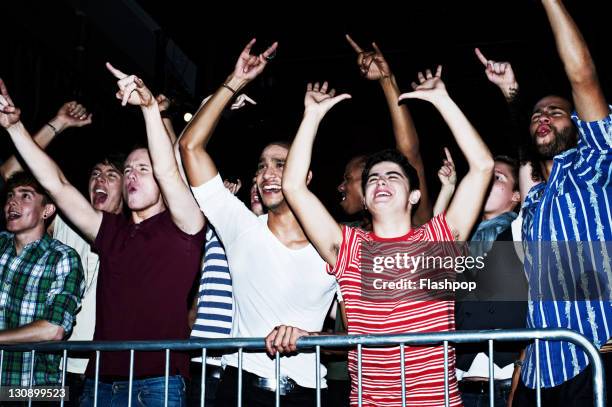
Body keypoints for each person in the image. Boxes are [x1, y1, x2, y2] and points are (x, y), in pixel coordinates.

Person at [272, 65, 493, 406]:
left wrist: (443, 100)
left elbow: (482, 166)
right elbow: (293, 186)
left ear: (414, 196)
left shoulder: (439, 242)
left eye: (393, 177)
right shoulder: (348, 248)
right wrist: (312, 116)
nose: (380, 182)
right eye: (373, 178)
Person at [0, 66, 206, 406]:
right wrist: (15, 128)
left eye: (144, 169)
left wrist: (150, 109)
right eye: (128, 171)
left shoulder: (184, 227)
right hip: (98, 383)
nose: (131, 176)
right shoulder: (112, 231)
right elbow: (58, 185)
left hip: (157, 384)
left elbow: (170, 172)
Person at [180, 39, 338, 406]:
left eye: (280, 164)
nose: (267, 174)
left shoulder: (335, 243)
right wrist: (235, 80)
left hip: (309, 394)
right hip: (239, 388)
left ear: (305, 175)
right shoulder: (241, 226)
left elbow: (351, 335)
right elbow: (190, 148)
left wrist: (308, 337)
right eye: (262, 165)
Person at [480, 2, 612, 405]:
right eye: (537, 114)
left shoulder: (595, 167)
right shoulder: (535, 195)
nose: (543, 117)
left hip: (593, 355)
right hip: (541, 366)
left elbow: (582, 73)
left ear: (577, 124)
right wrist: (510, 94)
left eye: (555, 113)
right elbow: (524, 149)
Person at [0, 171, 84, 386]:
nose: (13, 203)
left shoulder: (62, 258)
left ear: (47, 210)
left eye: (25, 196)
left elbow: (54, 329)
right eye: (10, 196)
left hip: (37, 389)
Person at [340, 35, 432, 228]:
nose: (340, 187)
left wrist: (387, 81)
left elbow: (409, 154)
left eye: (348, 178)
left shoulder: (411, 221)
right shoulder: (345, 236)